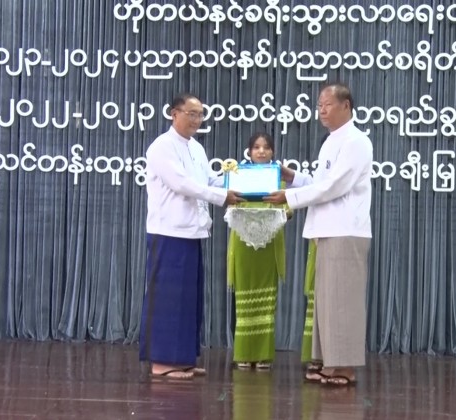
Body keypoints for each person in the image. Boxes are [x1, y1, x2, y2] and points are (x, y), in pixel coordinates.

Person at [265, 82, 373, 386]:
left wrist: (289, 197)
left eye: (327, 105)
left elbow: (335, 186)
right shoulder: (332, 141)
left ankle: (345, 367)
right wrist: (294, 178)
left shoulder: (356, 141)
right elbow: (321, 182)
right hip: (328, 229)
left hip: (345, 230)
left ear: (346, 106)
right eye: (319, 106)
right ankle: (331, 362)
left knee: (343, 301)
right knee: (327, 301)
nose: (321, 111)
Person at [140, 93, 244, 379]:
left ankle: (183, 358)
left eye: (200, 115)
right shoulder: (161, 147)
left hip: (192, 231)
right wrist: (222, 197)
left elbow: (207, 181)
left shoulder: (196, 148)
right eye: (191, 114)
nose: (197, 120)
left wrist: (240, 181)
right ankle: (162, 362)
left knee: (188, 300)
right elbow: (182, 184)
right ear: (174, 113)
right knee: (168, 299)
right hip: (168, 232)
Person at [226, 132, 290, 370]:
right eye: (256, 147)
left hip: (269, 244)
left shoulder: (279, 180)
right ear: (249, 151)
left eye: (266, 147)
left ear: (273, 151)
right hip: (243, 243)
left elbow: (289, 208)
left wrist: (282, 212)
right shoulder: (238, 176)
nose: (261, 151)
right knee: (244, 300)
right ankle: (244, 353)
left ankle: (263, 355)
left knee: (267, 300)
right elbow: (229, 204)